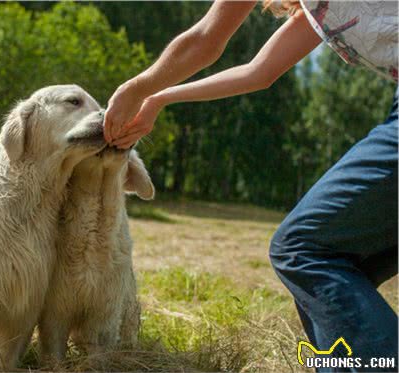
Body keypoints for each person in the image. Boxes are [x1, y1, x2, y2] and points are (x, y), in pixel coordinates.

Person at [103, 1, 398, 371]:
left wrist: (136, 87)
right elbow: (259, 71)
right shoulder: (319, 10)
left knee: (304, 249)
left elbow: (205, 38)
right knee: (332, 286)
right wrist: (159, 97)